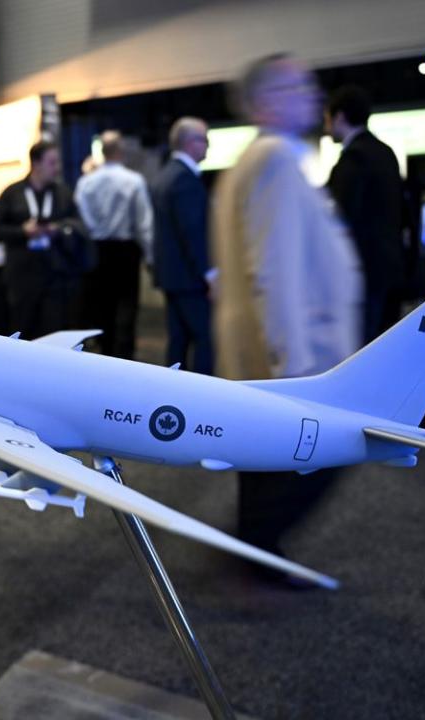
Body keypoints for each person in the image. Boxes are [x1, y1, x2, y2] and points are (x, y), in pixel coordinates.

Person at [212, 54, 362, 582]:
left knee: (264, 465)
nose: (312, 93)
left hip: (261, 352)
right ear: (264, 101)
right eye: (296, 85)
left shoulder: (256, 161)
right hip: (291, 355)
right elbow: (272, 270)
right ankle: (252, 556)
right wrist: (293, 364)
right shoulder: (274, 158)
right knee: (327, 453)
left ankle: (255, 555)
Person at [326, 85, 406, 343]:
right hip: (390, 267)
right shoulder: (385, 152)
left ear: (339, 117)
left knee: (362, 350)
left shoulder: (353, 159)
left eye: (327, 118)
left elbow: (341, 218)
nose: (327, 126)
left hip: (362, 271)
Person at [0, 140, 90, 340]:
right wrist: (23, 231)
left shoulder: (63, 193)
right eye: (52, 163)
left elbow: (79, 225)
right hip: (22, 277)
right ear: (36, 163)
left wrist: (57, 230)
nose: (57, 168)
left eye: (58, 163)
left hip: (56, 275)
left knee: (54, 332)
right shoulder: (13, 193)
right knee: (22, 331)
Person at [74, 130, 152, 360]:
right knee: (127, 305)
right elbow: (143, 222)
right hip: (126, 249)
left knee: (102, 305)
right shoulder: (134, 181)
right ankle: (126, 356)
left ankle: (106, 355)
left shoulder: (86, 182)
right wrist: (150, 256)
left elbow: (83, 215)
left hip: (98, 248)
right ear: (121, 152)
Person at [151, 118, 214, 374]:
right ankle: (203, 399)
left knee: (178, 341)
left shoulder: (166, 175)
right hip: (190, 277)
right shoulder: (185, 180)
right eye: (205, 140)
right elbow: (193, 233)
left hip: (172, 276)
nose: (208, 146)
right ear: (190, 143)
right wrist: (210, 274)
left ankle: (173, 394)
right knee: (206, 339)